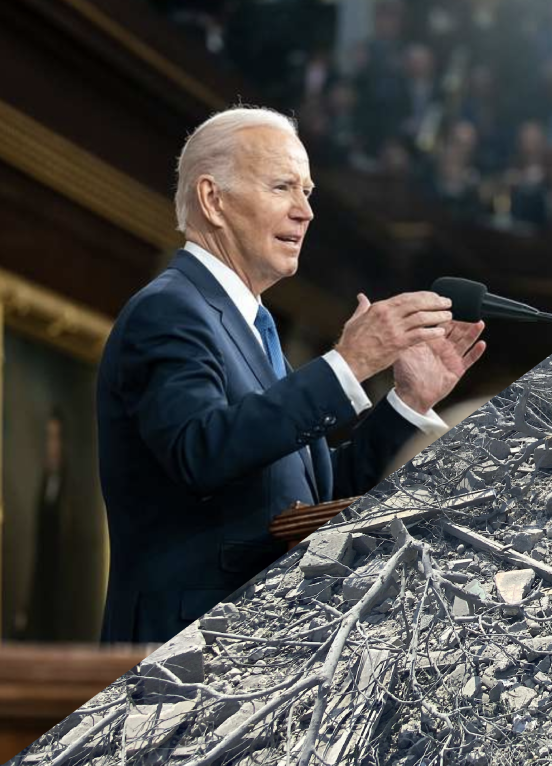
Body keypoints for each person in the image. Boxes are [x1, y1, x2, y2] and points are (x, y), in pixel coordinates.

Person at [97, 106, 486, 643]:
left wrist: (407, 403)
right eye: (283, 187)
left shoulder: (253, 324)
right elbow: (200, 452)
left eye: (307, 192)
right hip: (182, 652)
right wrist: (348, 365)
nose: (305, 212)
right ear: (214, 200)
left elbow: (311, 499)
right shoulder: (169, 310)